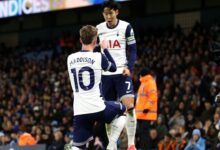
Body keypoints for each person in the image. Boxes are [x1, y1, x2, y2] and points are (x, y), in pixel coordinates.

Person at [67, 25, 126, 150]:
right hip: (98, 108)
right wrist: (104, 49)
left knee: (78, 147)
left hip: (80, 111)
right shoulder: (98, 57)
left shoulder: (70, 58)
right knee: (124, 109)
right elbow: (113, 67)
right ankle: (112, 144)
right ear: (95, 41)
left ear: (80, 40)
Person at [96, 1, 137, 149]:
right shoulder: (98, 29)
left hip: (121, 72)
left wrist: (129, 67)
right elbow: (94, 51)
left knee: (130, 106)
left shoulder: (126, 26)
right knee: (107, 114)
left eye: (111, 13)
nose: (108, 16)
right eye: (106, 13)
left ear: (116, 12)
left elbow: (133, 50)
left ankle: (131, 144)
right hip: (105, 75)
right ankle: (111, 145)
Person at [135, 67, 158, 150]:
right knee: (142, 134)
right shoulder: (143, 83)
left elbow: (153, 96)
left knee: (145, 134)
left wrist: (147, 108)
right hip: (141, 114)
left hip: (146, 114)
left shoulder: (150, 82)